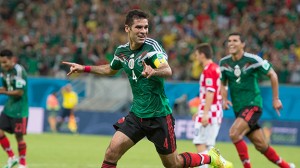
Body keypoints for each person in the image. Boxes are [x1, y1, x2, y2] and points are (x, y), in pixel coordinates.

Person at [62, 9, 227, 168]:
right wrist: (84, 68)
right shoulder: (122, 52)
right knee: (112, 152)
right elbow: (110, 69)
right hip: (137, 115)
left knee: (173, 164)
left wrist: (154, 71)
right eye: (139, 27)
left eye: (146, 27)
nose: (143, 31)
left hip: (159, 116)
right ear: (127, 28)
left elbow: (167, 69)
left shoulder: (151, 48)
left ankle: (210, 157)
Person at [219, 32, 295, 168]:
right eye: (229, 40)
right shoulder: (224, 63)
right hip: (239, 109)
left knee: (234, 133)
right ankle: (287, 166)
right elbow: (223, 83)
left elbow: (272, 74)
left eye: (235, 40)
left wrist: (276, 99)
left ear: (243, 44)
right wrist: (224, 99)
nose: (231, 43)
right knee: (262, 145)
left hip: (253, 105)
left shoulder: (253, 60)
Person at [192, 43, 233, 168]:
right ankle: (223, 164)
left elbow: (210, 93)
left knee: (200, 143)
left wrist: (204, 114)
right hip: (214, 110)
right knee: (208, 145)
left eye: (197, 55)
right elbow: (222, 87)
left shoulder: (209, 69)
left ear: (203, 55)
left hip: (209, 112)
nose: (196, 57)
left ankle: (223, 164)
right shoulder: (216, 68)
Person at [0, 49, 28, 168]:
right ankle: (12, 157)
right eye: (1, 62)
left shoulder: (19, 71)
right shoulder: (3, 71)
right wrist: (2, 89)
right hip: (9, 107)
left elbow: (20, 92)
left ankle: (22, 164)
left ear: (12, 59)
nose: (3, 65)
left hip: (20, 110)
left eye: (5, 62)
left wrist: (4, 92)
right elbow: (5, 86)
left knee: (19, 137)